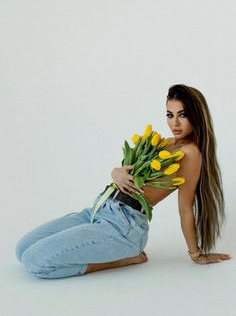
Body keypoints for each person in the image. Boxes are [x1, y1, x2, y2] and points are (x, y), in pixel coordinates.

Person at [15, 84, 232, 279]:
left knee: (35, 263)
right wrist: (115, 172)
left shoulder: (190, 154)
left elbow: (185, 209)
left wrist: (196, 255)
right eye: (169, 114)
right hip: (100, 208)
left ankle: (126, 258)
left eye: (182, 115)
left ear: (196, 116)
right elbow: (128, 173)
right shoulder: (166, 143)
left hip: (123, 227)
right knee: (22, 249)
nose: (174, 122)